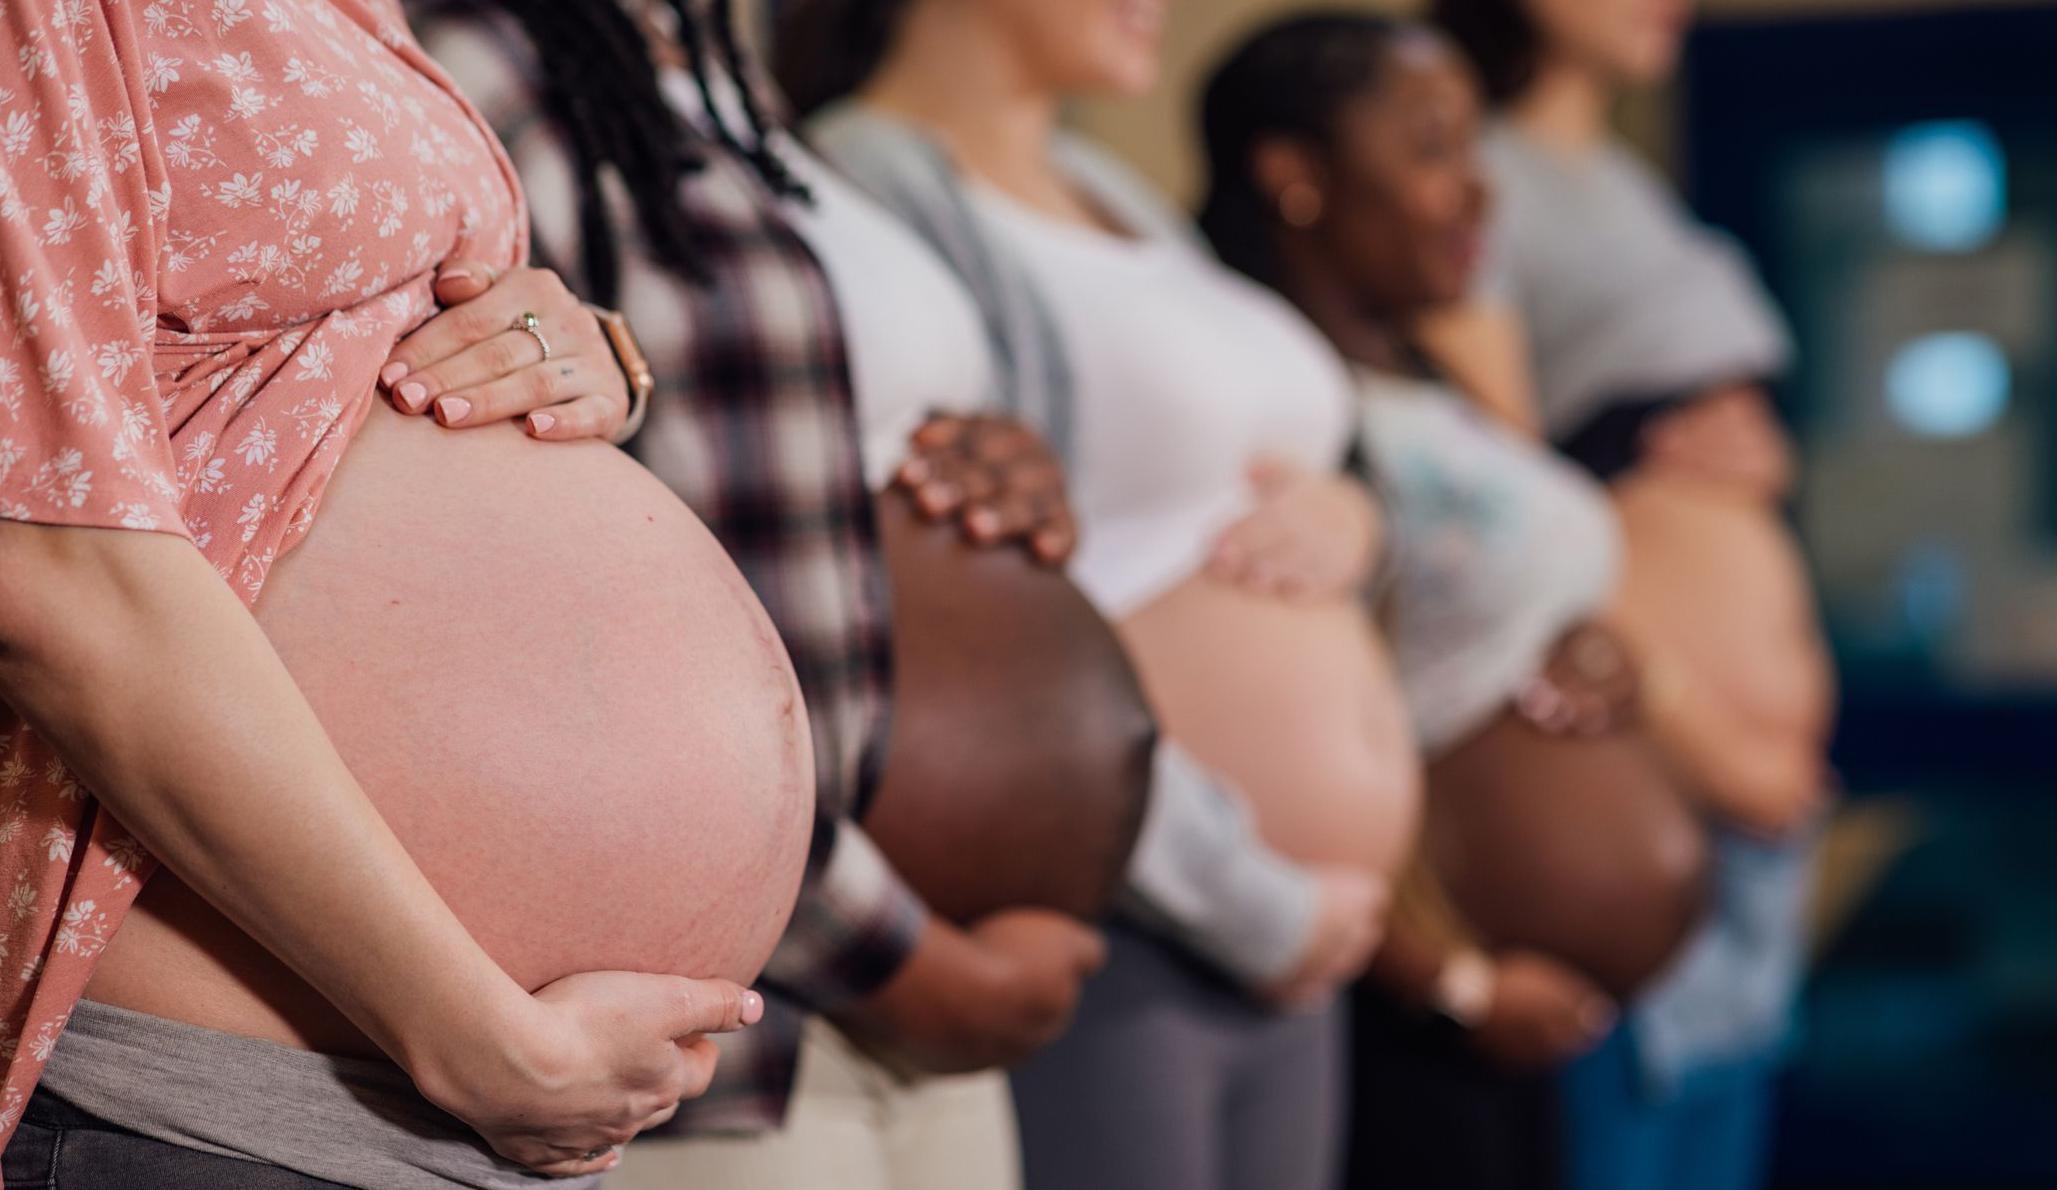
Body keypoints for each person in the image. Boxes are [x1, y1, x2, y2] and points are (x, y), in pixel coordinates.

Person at [415, 3, 1382, 1187]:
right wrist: (892, 948)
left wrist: (997, 469)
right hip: (726, 986)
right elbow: (531, 574)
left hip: (915, 944)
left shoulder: (722, 77)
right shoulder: (470, 60)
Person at [0, 0, 821, 1184]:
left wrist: (569, 343)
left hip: (454, 1101)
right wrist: (477, 1037)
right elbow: (47, 565)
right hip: (218, 1101)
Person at [776, 3, 1422, 1188]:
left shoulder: (1110, 184)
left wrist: (1354, 513)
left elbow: (1284, 450)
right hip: (1133, 900)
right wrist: (1242, 889)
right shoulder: (874, 183)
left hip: (1285, 925)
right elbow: (981, 592)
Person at [1192, 14, 1727, 1189]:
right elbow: (1275, 742)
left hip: (1529, 1018)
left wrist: (1597, 653)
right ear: (1295, 176)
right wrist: (1449, 981)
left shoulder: (1429, 370)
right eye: (1432, 148)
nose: (1476, 189)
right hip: (1400, 999)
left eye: (1477, 147)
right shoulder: (1266, 395)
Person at [1429, 1, 1835, 1187]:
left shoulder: (1627, 181)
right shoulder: (1479, 180)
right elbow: (1515, 508)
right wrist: (1698, 733)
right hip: (1636, 748)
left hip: (1745, 805)